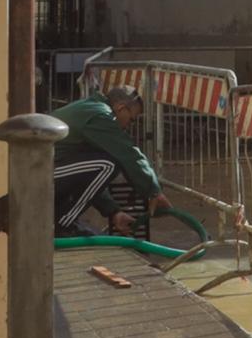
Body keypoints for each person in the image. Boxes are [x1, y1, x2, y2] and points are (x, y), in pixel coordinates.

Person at [49, 86, 172, 236]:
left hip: (48, 170)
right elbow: (129, 153)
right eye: (131, 119)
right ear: (120, 108)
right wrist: (154, 191)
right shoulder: (101, 116)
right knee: (108, 164)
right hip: (43, 173)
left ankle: (63, 220)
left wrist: (114, 211)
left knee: (104, 164)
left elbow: (88, 178)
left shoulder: (91, 109)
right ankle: (61, 223)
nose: (128, 126)